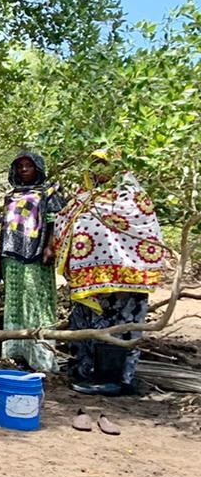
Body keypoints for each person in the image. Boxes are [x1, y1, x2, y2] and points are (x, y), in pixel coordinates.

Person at [58, 151, 170, 395]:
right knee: (87, 325)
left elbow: (143, 229)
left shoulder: (131, 197)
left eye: (104, 165)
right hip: (88, 283)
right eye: (94, 165)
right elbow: (63, 224)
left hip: (126, 281)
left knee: (121, 327)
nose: (98, 171)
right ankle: (86, 373)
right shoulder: (82, 197)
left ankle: (118, 379)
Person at [0, 151, 63, 373]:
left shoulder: (49, 193)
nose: (23, 169)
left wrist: (50, 246)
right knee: (14, 305)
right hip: (11, 256)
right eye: (20, 166)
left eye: (28, 166)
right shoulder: (11, 196)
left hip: (36, 255)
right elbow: (6, 229)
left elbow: (54, 222)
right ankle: (15, 353)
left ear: (38, 169)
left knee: (38, 304)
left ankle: (42, 357)